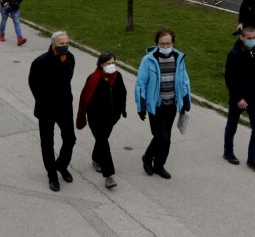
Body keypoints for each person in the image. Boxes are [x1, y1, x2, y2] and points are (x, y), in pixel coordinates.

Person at [135, 28, 191, 179]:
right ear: (157, 44)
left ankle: (159, 165)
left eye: (168, 43)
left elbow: (184, 80)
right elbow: (141, 84)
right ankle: (147, 158)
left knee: (167, 138)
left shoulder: (179, 58)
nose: (166, 47)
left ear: (172, 42)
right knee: (161, 137)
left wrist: (186, 99)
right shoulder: (148, 60)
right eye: (162, 44)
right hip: (156, 106)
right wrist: (141, 107)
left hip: (171, 105)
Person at [28, 31, 76, 192]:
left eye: (67, 43)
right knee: (47, 143)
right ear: (53, 44)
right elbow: (33, 83)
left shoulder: (70, 58)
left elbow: (67, 80)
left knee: (70, 138)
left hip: (65, 107)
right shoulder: (40, 62)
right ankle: (52, 175)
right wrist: (42, 100)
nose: (65, 46)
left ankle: (61, 165)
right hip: (46, 109)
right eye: (61, 43)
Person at [75, 51, 127, 189]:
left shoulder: (117, 77)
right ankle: (108, 176)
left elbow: (122, 93)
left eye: (113, 63)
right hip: (95, 118)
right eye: (108, 63)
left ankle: (96, 159)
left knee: (101, 140)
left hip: (111, 117)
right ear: (101, 64)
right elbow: (85, 98)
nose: (111, 66)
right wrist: (85, 114)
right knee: (103, 141)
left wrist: (121, 110)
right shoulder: (93, 78)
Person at [223, 26, 255, 173]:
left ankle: (253, 159)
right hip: (239, 98)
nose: (252, 40)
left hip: (253, 97)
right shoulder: (234, 55)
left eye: (254, 37)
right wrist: (238, 98)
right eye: (249, 38)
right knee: (232, 125)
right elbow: (230, 79)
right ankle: (228, 152)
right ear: (242, 38)